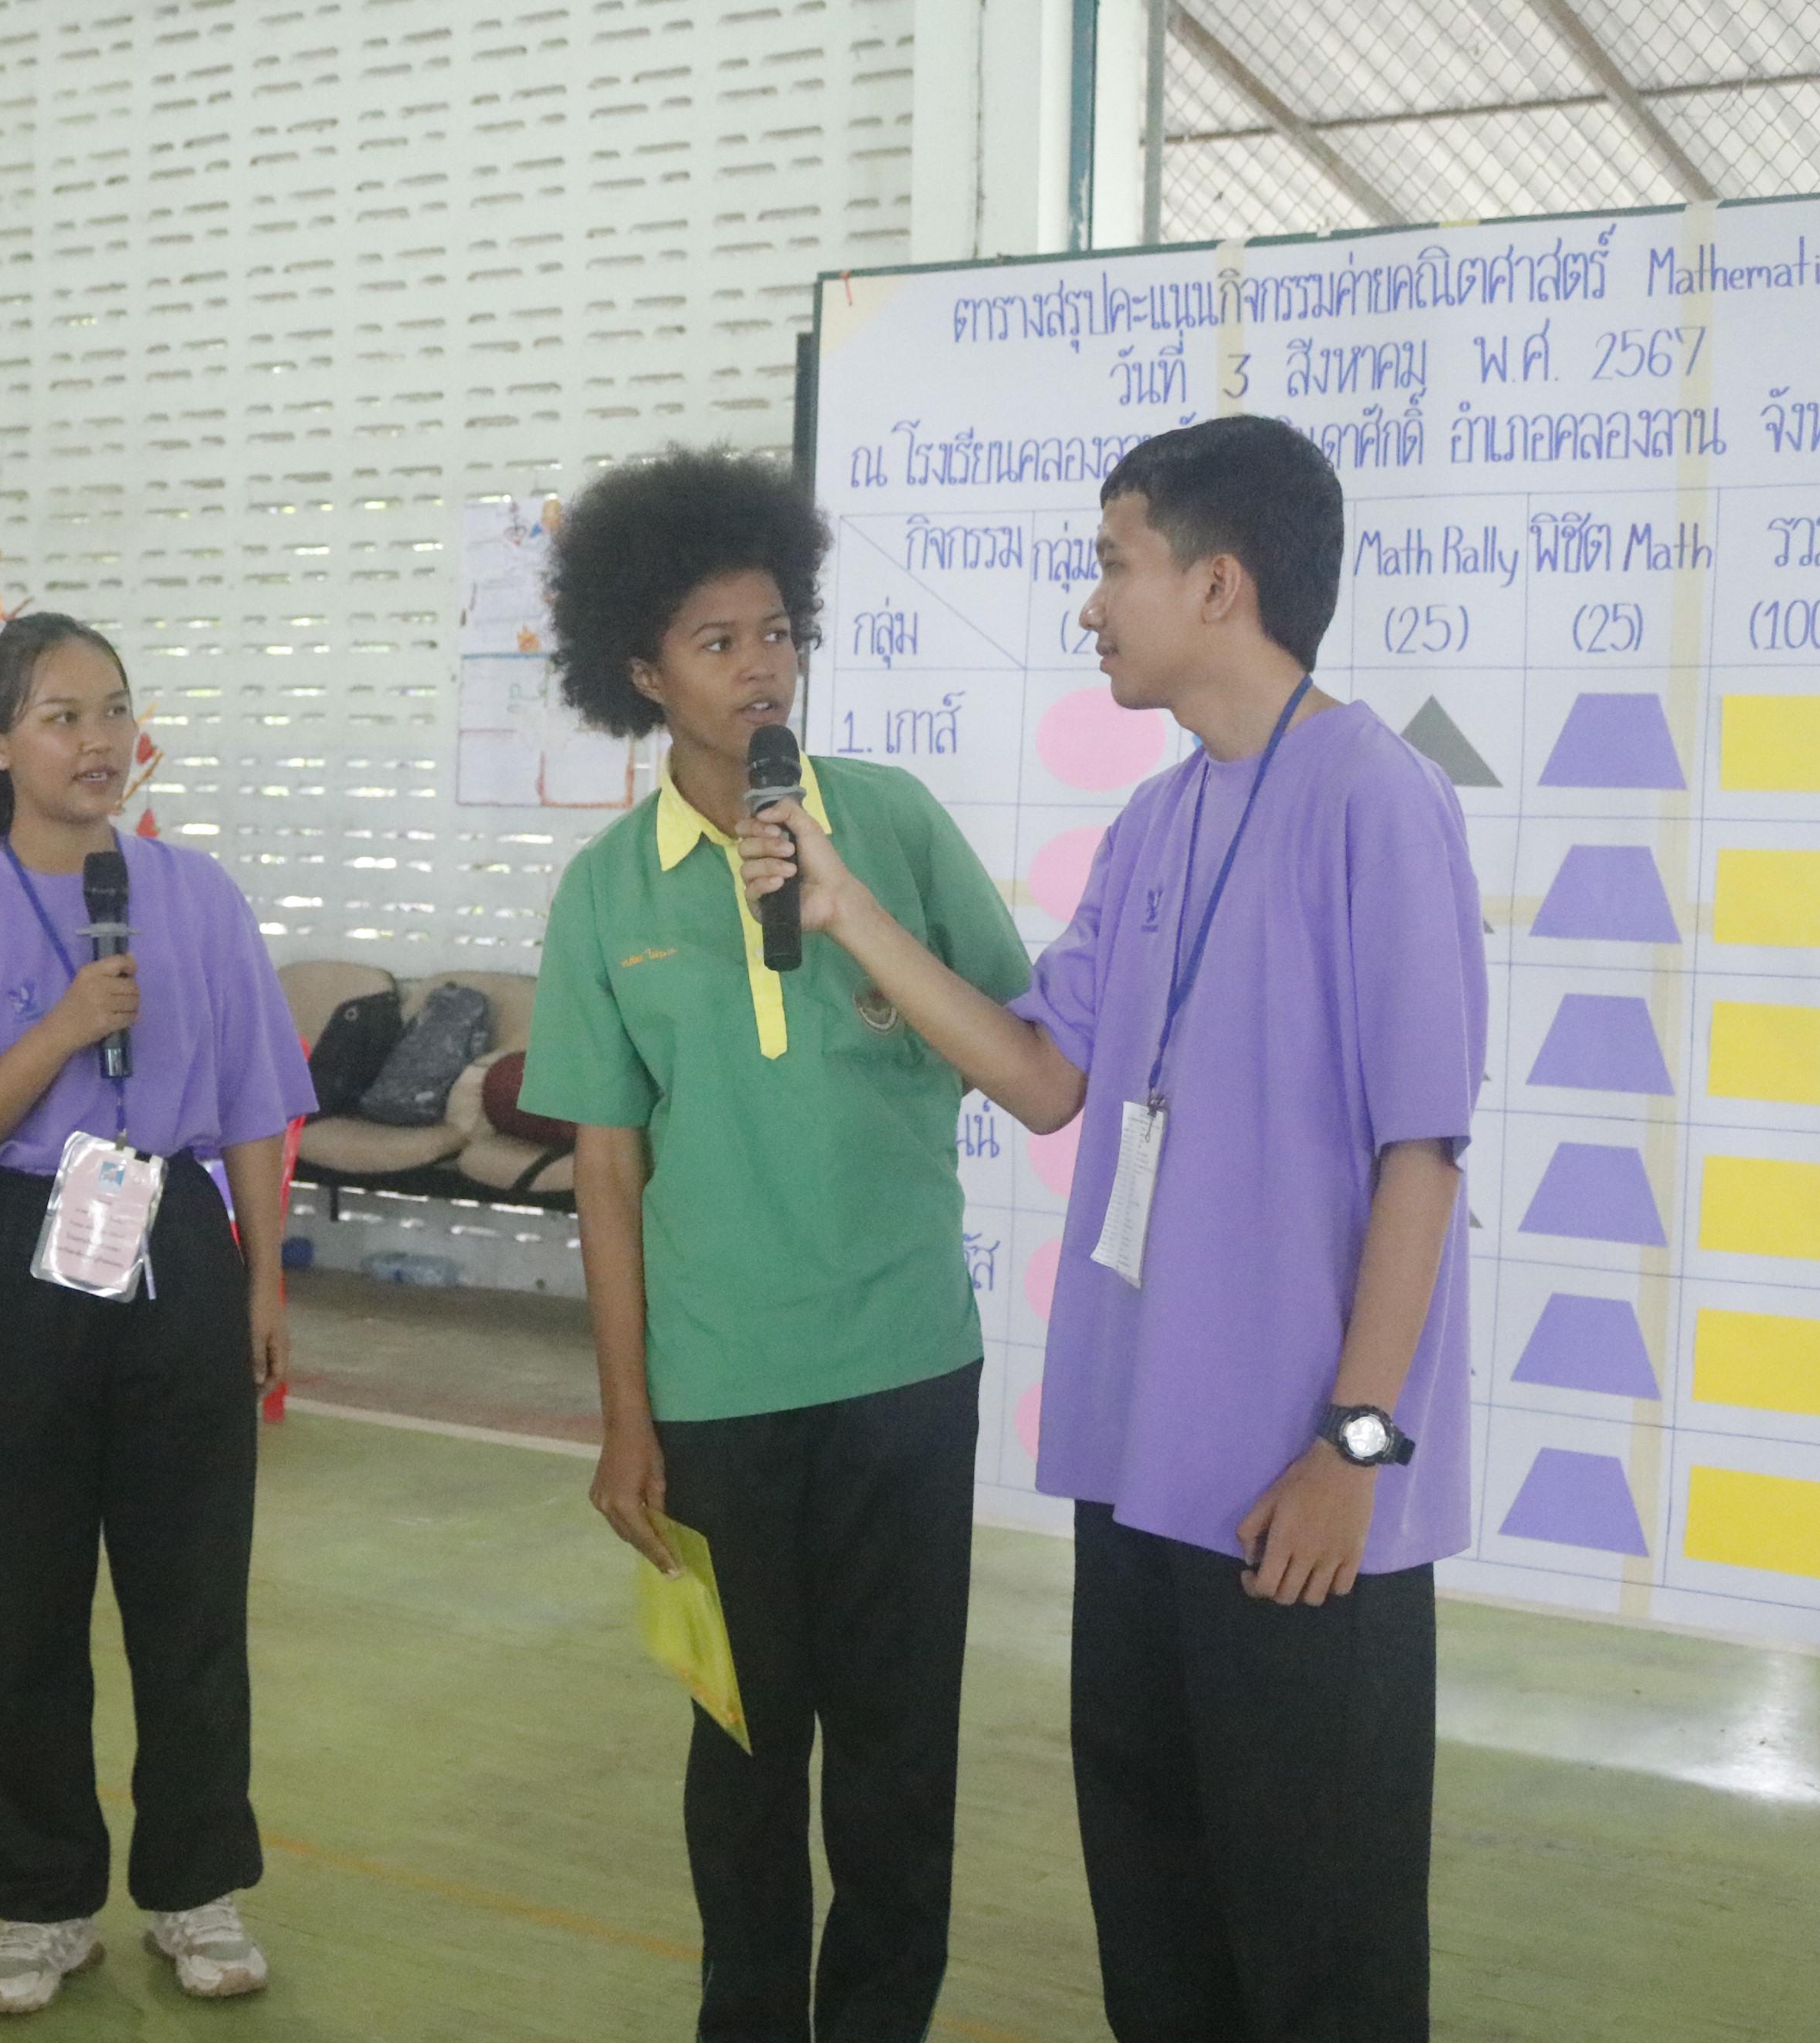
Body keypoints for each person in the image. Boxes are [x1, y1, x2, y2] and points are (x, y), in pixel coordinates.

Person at [741, 415, 1485, 2041]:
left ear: (1217, 584)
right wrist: (846, 906)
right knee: (1161, 1922)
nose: (1090, 605)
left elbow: (1423, 1153)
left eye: (1113, 564)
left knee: (1321, 1943)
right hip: (1144, 1478)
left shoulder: (1378, 802)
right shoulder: (1157, 825)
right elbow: (1044, 1073)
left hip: (1301, 1501)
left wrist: (1356, 1444)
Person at [518, 446, 1030, 2043]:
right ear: (641, 670)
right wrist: (624, 1419)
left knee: (898, 1764)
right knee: (744, 1761)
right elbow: (608, 1173)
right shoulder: (609, 893)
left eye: (779, 631)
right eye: (718, 641)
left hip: (902, 1368)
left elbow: (1011, 1039)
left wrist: (863, 938)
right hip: (719, 1390)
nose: (761, 668)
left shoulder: (890, 821)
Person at [0, 613, 313, 2016]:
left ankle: (195, 1883)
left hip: (175, 1232)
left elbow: (250, 1095)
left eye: (114, 710)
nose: (99, 741)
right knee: (19, 1603)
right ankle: (37, 1895)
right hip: (14, 1249)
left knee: (190, 1592)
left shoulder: (197, 894)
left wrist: (258, 1274)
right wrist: (60, 1028)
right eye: (62, 715)